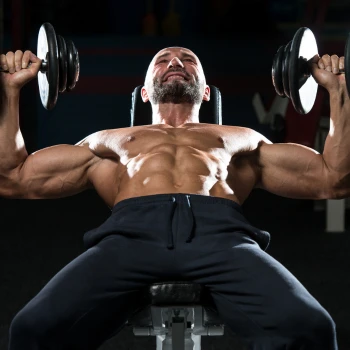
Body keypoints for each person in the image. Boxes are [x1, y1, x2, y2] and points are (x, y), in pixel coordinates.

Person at [0, 46, 346, 350]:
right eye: (162, 60)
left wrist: (339, 91)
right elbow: (14, 178)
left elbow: (333, 179)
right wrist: (10, 91)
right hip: (131, 235)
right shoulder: (111, 140)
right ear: (146, 93)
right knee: (32, 328)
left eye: (188, 59)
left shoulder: (240, 139)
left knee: (312, 327)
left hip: (221, 236)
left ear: (206, 92)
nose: (176, 61)